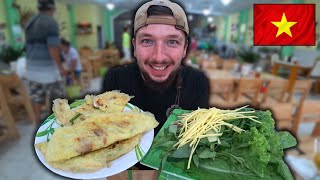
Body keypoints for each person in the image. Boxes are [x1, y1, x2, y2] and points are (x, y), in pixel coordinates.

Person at [102, 0, 209, 134]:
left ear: (185, 48)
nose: (159, 58)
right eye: (147, 41)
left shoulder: (197, 82)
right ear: (134, 47)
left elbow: (196, 138)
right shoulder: (115, 80)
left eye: (172, 42)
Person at [24, 0, 65, 124]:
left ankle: (37, 122)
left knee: (36, 97)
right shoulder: (50, 22)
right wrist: (60, 67)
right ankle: (58, 122)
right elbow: (52, 48)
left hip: (31, 68)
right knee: (57, 97)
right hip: (47, 70)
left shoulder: (30, 22)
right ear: (52, 9)